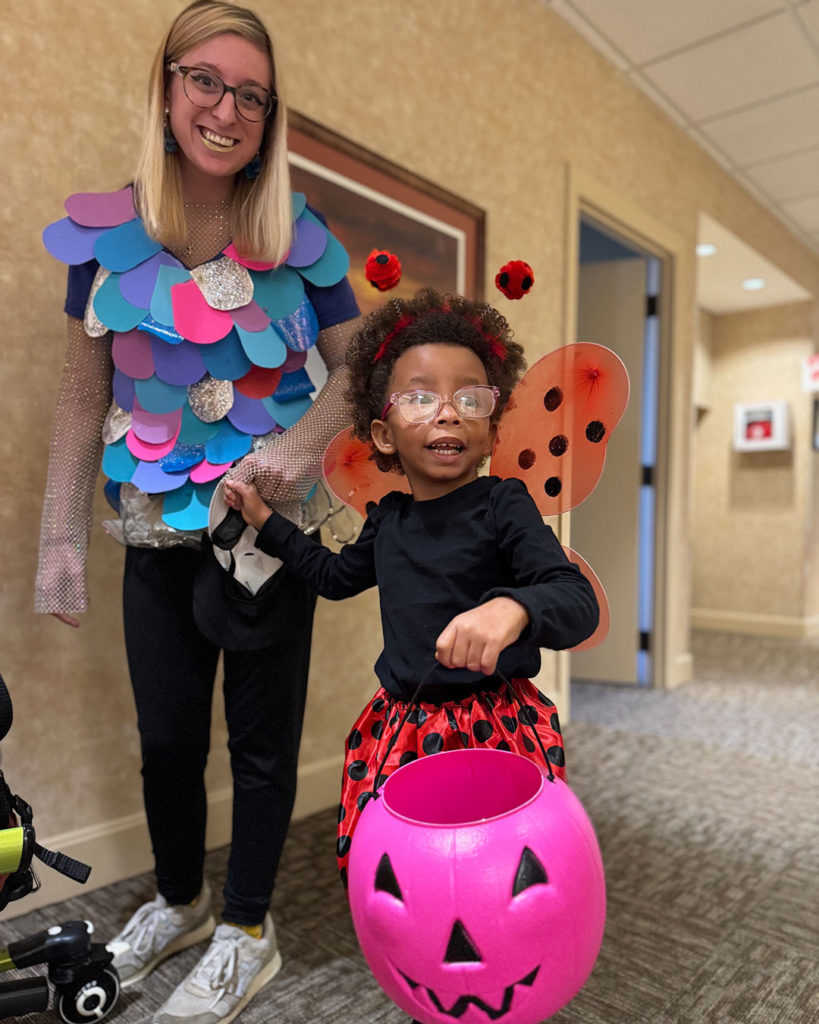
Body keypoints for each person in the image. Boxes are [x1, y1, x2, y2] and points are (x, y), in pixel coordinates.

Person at [35, 3, 360, 1022]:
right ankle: (181, 899)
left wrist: (298, 448)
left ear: (271, 114)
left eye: (251, 95)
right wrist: (57, 539)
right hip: (153, 528)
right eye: (206, 81)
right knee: (168, 739)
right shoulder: (103, 237)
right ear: (167, 86)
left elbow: (359, 369)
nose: (226, 109)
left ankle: (247, 932)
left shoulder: (300, 238)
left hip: (270, 533)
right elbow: (84, 399)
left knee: (262, 748)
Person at [224, 287, 601, 888]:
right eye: (420, 398)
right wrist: (268, 524)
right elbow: (333, 577)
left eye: (469, 399)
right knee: (413, 876)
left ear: (490, 430)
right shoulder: (390, 520)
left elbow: (576, 603)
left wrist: (514, 607)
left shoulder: (505, 505)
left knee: (498, 874)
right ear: (382, 434)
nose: (446, 412)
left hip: (494, 728)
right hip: (402, 727)